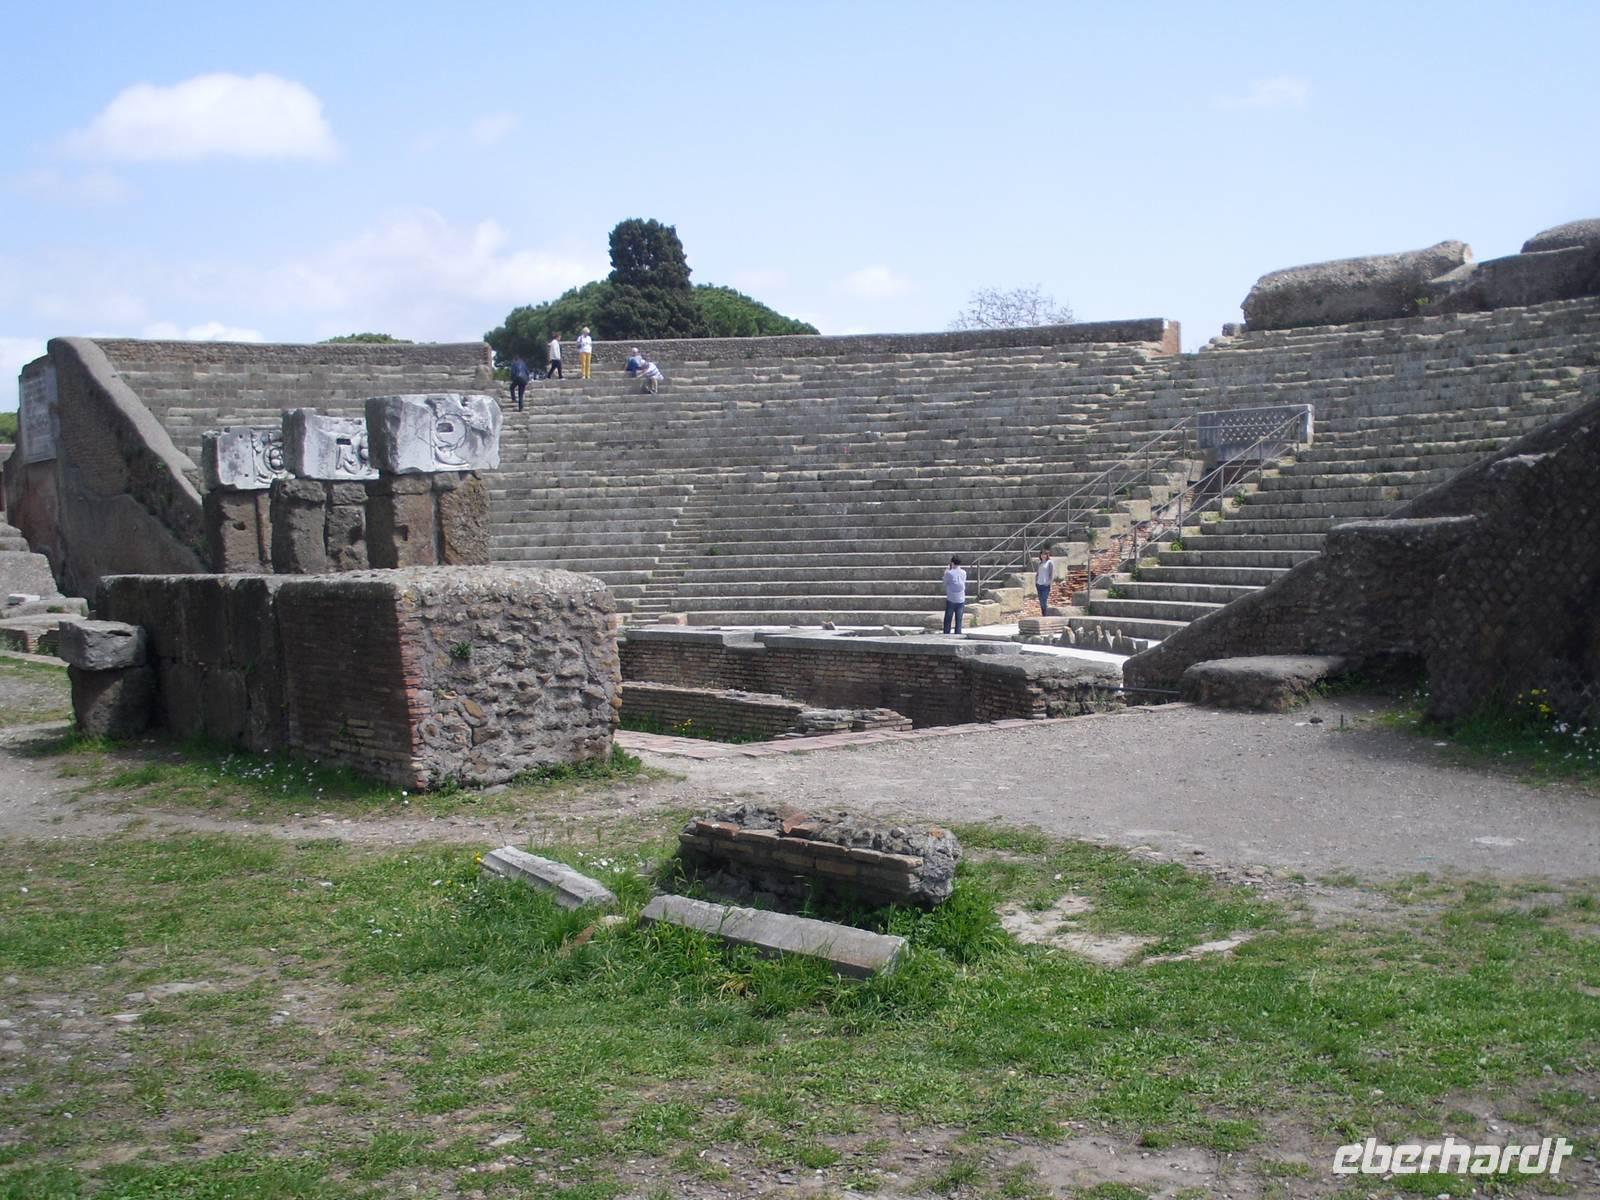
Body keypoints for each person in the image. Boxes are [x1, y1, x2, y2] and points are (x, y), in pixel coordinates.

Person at [942, 556, 967, 635]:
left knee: (948, 618)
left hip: (951, 598)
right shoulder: (964, 572)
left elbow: (945, 583)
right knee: (959, 619)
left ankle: (946, 633)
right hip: (961, 598)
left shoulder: (949, 573)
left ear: (952, 563)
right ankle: (958, 634)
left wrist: (945, 573)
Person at [1035, 548, 1055, 616]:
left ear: (1047, 555)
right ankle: (1043, 614)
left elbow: (1051, 574)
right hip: (1039, 584)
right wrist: (1036, 581)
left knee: (1044, 601)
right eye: (1042, 554)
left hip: (1046, 585)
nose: (1043, 556)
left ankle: (1045, 615)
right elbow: (1038, 573)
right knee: (1041, 602)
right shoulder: (1040, 563)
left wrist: (1050, 584)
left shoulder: (1050, 563)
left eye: (1045, 554)